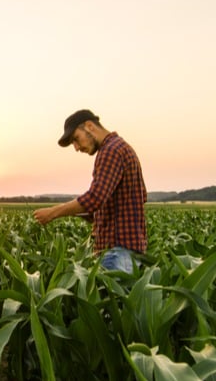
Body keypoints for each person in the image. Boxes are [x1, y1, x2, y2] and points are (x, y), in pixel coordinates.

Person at [33, 109, 147, 273]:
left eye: (76, 139)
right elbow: (128, 202)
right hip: (128, 254)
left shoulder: (111, 150)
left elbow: (95, 198)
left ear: (89, 126)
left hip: (117, 253)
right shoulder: (123, 148)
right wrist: (80, 212)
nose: (77, 148)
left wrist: (52, 212)